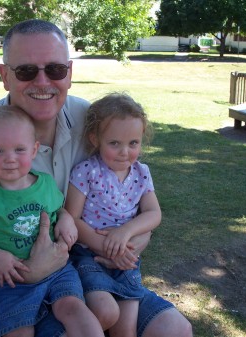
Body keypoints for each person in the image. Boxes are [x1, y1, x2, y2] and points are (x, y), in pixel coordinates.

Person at [0, 19, 193, 337]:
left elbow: (129, 193)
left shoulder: (93, 122)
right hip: (9, 288)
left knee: (174, 329)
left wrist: (134, 240)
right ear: (4, 76)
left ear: (69, 72)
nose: (43, 82)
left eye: (54, 69)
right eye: (26, 71)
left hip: (88, 265)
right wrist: (25, 271)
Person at [0, 105, 103, 337]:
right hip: (11, 281)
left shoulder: (45, 184)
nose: (10, 159)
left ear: (34, 150)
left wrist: (65, 220)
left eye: (19, 149)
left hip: (57, 270)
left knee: (75, 309)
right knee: (18, 330)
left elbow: (59, 210)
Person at [64, 93, 161, 336]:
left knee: (126, 330)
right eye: (114, 143)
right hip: (89, 258)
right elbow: (71, 218)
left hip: (127, 261)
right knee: (106, 312)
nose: (124, 152)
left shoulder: (141, 173)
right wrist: (106, 246)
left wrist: (125, 232)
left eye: (133, 143)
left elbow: (153, 213)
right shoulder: (86, 171)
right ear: (95, 139)